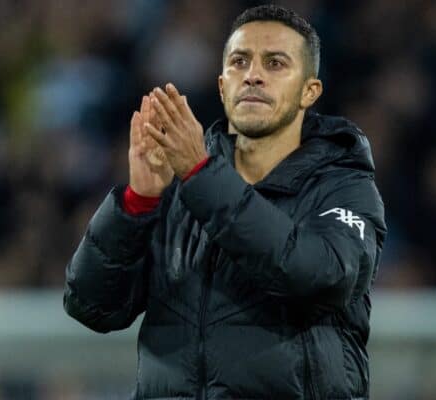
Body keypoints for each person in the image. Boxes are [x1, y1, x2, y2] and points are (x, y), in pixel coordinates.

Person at [63, 4, 387, 399]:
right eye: (240, 61)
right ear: (222, 85)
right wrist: (138, 200)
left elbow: (320, 275)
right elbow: (91, 306)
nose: (253, 75)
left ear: (309, 91)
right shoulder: (181, 185)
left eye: (275, 63)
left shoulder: (342, 185)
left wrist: (201, 175)